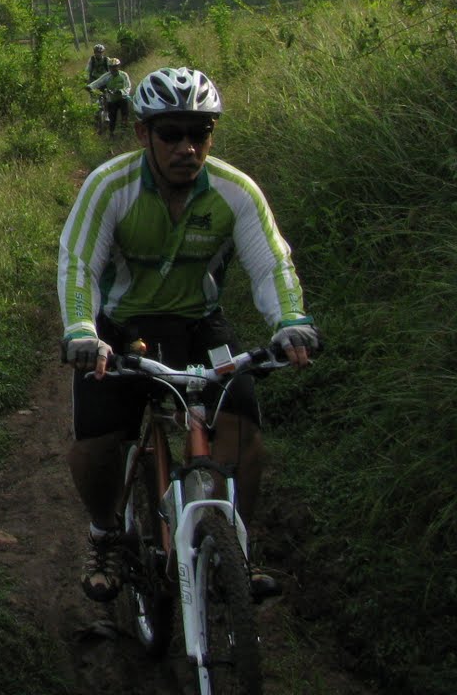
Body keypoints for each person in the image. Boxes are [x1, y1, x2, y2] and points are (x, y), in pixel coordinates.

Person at [55, 66, 319, 603]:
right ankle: (105, 535)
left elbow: (272, 264)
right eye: (171, 133)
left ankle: (235, 546)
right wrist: (83, 330)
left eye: (199, 133)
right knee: (98, 444)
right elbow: (78, 263)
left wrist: (291, 322)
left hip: (200, 324)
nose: (186, 147)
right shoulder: (111, 187)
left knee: (243, 431)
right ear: (143, 134)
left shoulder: (234, 191)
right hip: (121, 328)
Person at [86, 57, 132, 137]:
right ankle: (112, 134)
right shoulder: (107, 76)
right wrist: (89, 87)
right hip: (112, 100)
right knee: (112, 119)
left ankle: (125, 132)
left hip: (122, 99)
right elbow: (98, 82)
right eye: (111, 67)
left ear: (118, 66)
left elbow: (128, 86)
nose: (113, 69)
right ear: (109, 68)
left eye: (115, 67)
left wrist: (121, 91)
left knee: (125, 116)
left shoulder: (124, 75)